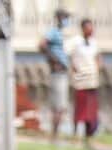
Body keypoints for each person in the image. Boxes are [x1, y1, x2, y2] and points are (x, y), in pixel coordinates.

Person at [65, 18, 102, 150]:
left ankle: (89, 135)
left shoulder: (94, 43)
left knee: (91, 110)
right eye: (88, 27)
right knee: (80, 108)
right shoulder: (76, 42)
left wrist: (97, 68)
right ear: (83, 28)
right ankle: (75, 133)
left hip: (92, 80)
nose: (91, 30)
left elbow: (98, 57)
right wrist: (74, 68)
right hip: (80, 80)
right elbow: (67, 55)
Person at [37, 9, 71, 141]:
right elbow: (41, 45)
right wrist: (55, 61)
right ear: (59, 18)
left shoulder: (59, 34)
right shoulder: (53, 32)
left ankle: (54, 134)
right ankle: (54, 135)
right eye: (65, 17)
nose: (67, 21)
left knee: (59, 106)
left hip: (60, 73)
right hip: (58, 73)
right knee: (59, 106)